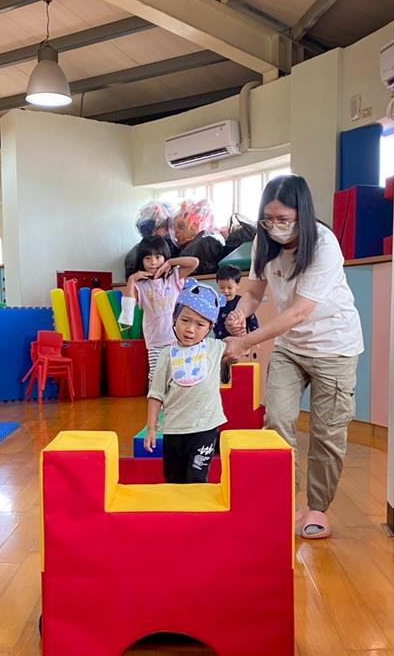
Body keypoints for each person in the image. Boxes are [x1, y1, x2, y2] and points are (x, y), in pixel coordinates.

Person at [224, 175, 363, 540]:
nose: (275, 227)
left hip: (335, 348)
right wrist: (240, 313)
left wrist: (245, 341)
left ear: (302, 213)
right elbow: (254, 291)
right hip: (291, 348)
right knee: (277, 420)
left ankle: (317, 508)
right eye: (268, 219)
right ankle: (286, 501)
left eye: (283, 219)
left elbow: (299, 312)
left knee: (327, 434)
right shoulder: (264, 241)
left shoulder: (324, 245)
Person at [145, 281, 225, 483]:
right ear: (174, 319)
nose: (190, 329)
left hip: (205, 428)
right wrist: (152, 428)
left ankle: (198, 505)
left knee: (197, 478)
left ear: (210, 327)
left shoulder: (215, 348)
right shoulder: (167, 355)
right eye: (185, 320)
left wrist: (241, 329)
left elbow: (241, 344)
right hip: (174, 430)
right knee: (174, 479)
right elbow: (155, 395)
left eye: (200, 325)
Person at [119, 236, 199, 382]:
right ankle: (157, 398)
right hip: (156, 342)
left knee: (180, 376)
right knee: (157, 377)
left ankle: (175, 399)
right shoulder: (140, 286)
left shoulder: (173, 277)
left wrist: (170, 262)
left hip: (178, 338)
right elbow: (127, 307)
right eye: (148, 258)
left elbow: (194, 262)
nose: (153, 262)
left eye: (158, 257)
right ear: (141, 261)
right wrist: (131, 280)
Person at [214, 265, 259, 340]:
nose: (226, 291)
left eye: (229, 288)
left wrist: (255, 338)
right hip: (220, 341)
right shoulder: (215, 303)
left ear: (237, 285)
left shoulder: (241, 302)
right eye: (222, 287)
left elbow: (252, 320)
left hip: (239, 340)